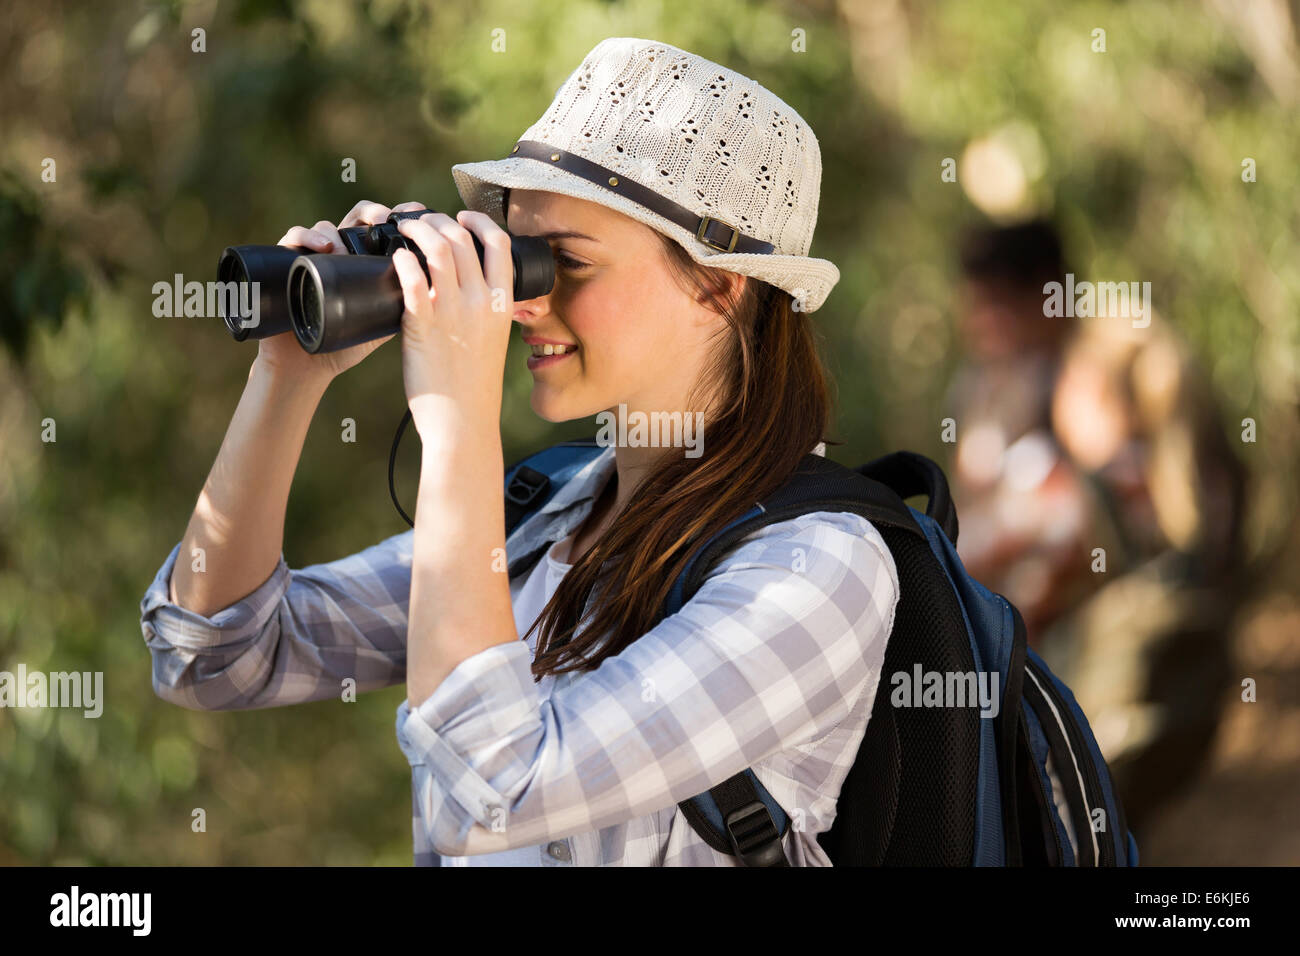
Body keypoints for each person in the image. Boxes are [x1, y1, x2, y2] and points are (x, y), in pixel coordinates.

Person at [139, 37, 900, 866]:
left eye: (561, 262)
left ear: (720, 284)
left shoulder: (817, 568)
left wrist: (457, 416)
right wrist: (290, 376)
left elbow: (492, 792)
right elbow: (213, 657)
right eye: (516, 258)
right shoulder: (553, 515)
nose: (519, 305)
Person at [944, 219, 1247, 834]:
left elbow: (1083, 526)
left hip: (1142, 650)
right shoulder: (997, 384)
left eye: (996, 307)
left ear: (1046, 295)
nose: (979, 326)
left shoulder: (1114, 364)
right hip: (1094, 651)